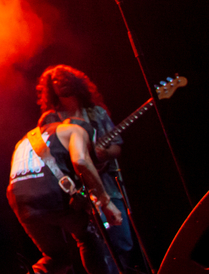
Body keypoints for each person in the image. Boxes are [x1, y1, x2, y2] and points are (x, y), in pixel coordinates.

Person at [38, 64, 138, 270]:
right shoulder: (49, 119)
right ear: (50, 88)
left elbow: (117, 146)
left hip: (107, 186)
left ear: (75, 80)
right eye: (55, 80)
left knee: (122, 241)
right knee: (94, 246)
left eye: (64, 77)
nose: (61, 82)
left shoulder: (96, 113)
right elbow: (44, 157)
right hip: (75, 194)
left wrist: (105, 153)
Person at [8, 109, 123, 274]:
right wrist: (106, 201)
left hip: (20, 201)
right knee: (88, 238)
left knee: (57, 258)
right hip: (52, 194)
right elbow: (81, 160)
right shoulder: (72, 129)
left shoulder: (22, 141)